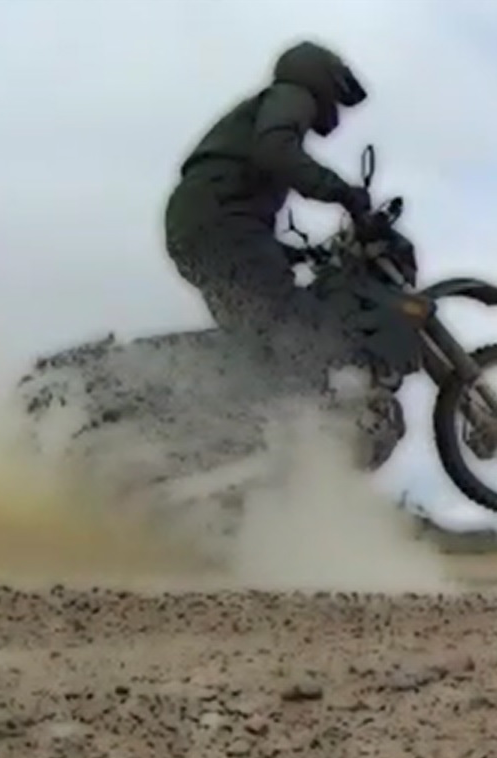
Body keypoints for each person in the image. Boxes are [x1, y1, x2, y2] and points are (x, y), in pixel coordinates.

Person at [161, 40, 403, 470]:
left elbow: (247, 192)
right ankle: (297, 429)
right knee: (297, 333)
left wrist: (291, 253)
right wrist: (344, 193)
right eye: (336, 95)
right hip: (220, 221)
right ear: (321, 79)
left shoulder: (263, 112)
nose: (336, 110)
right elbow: (276, 152)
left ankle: (218, 435)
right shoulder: (291, 96)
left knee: (259, 345)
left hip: (205, 223)